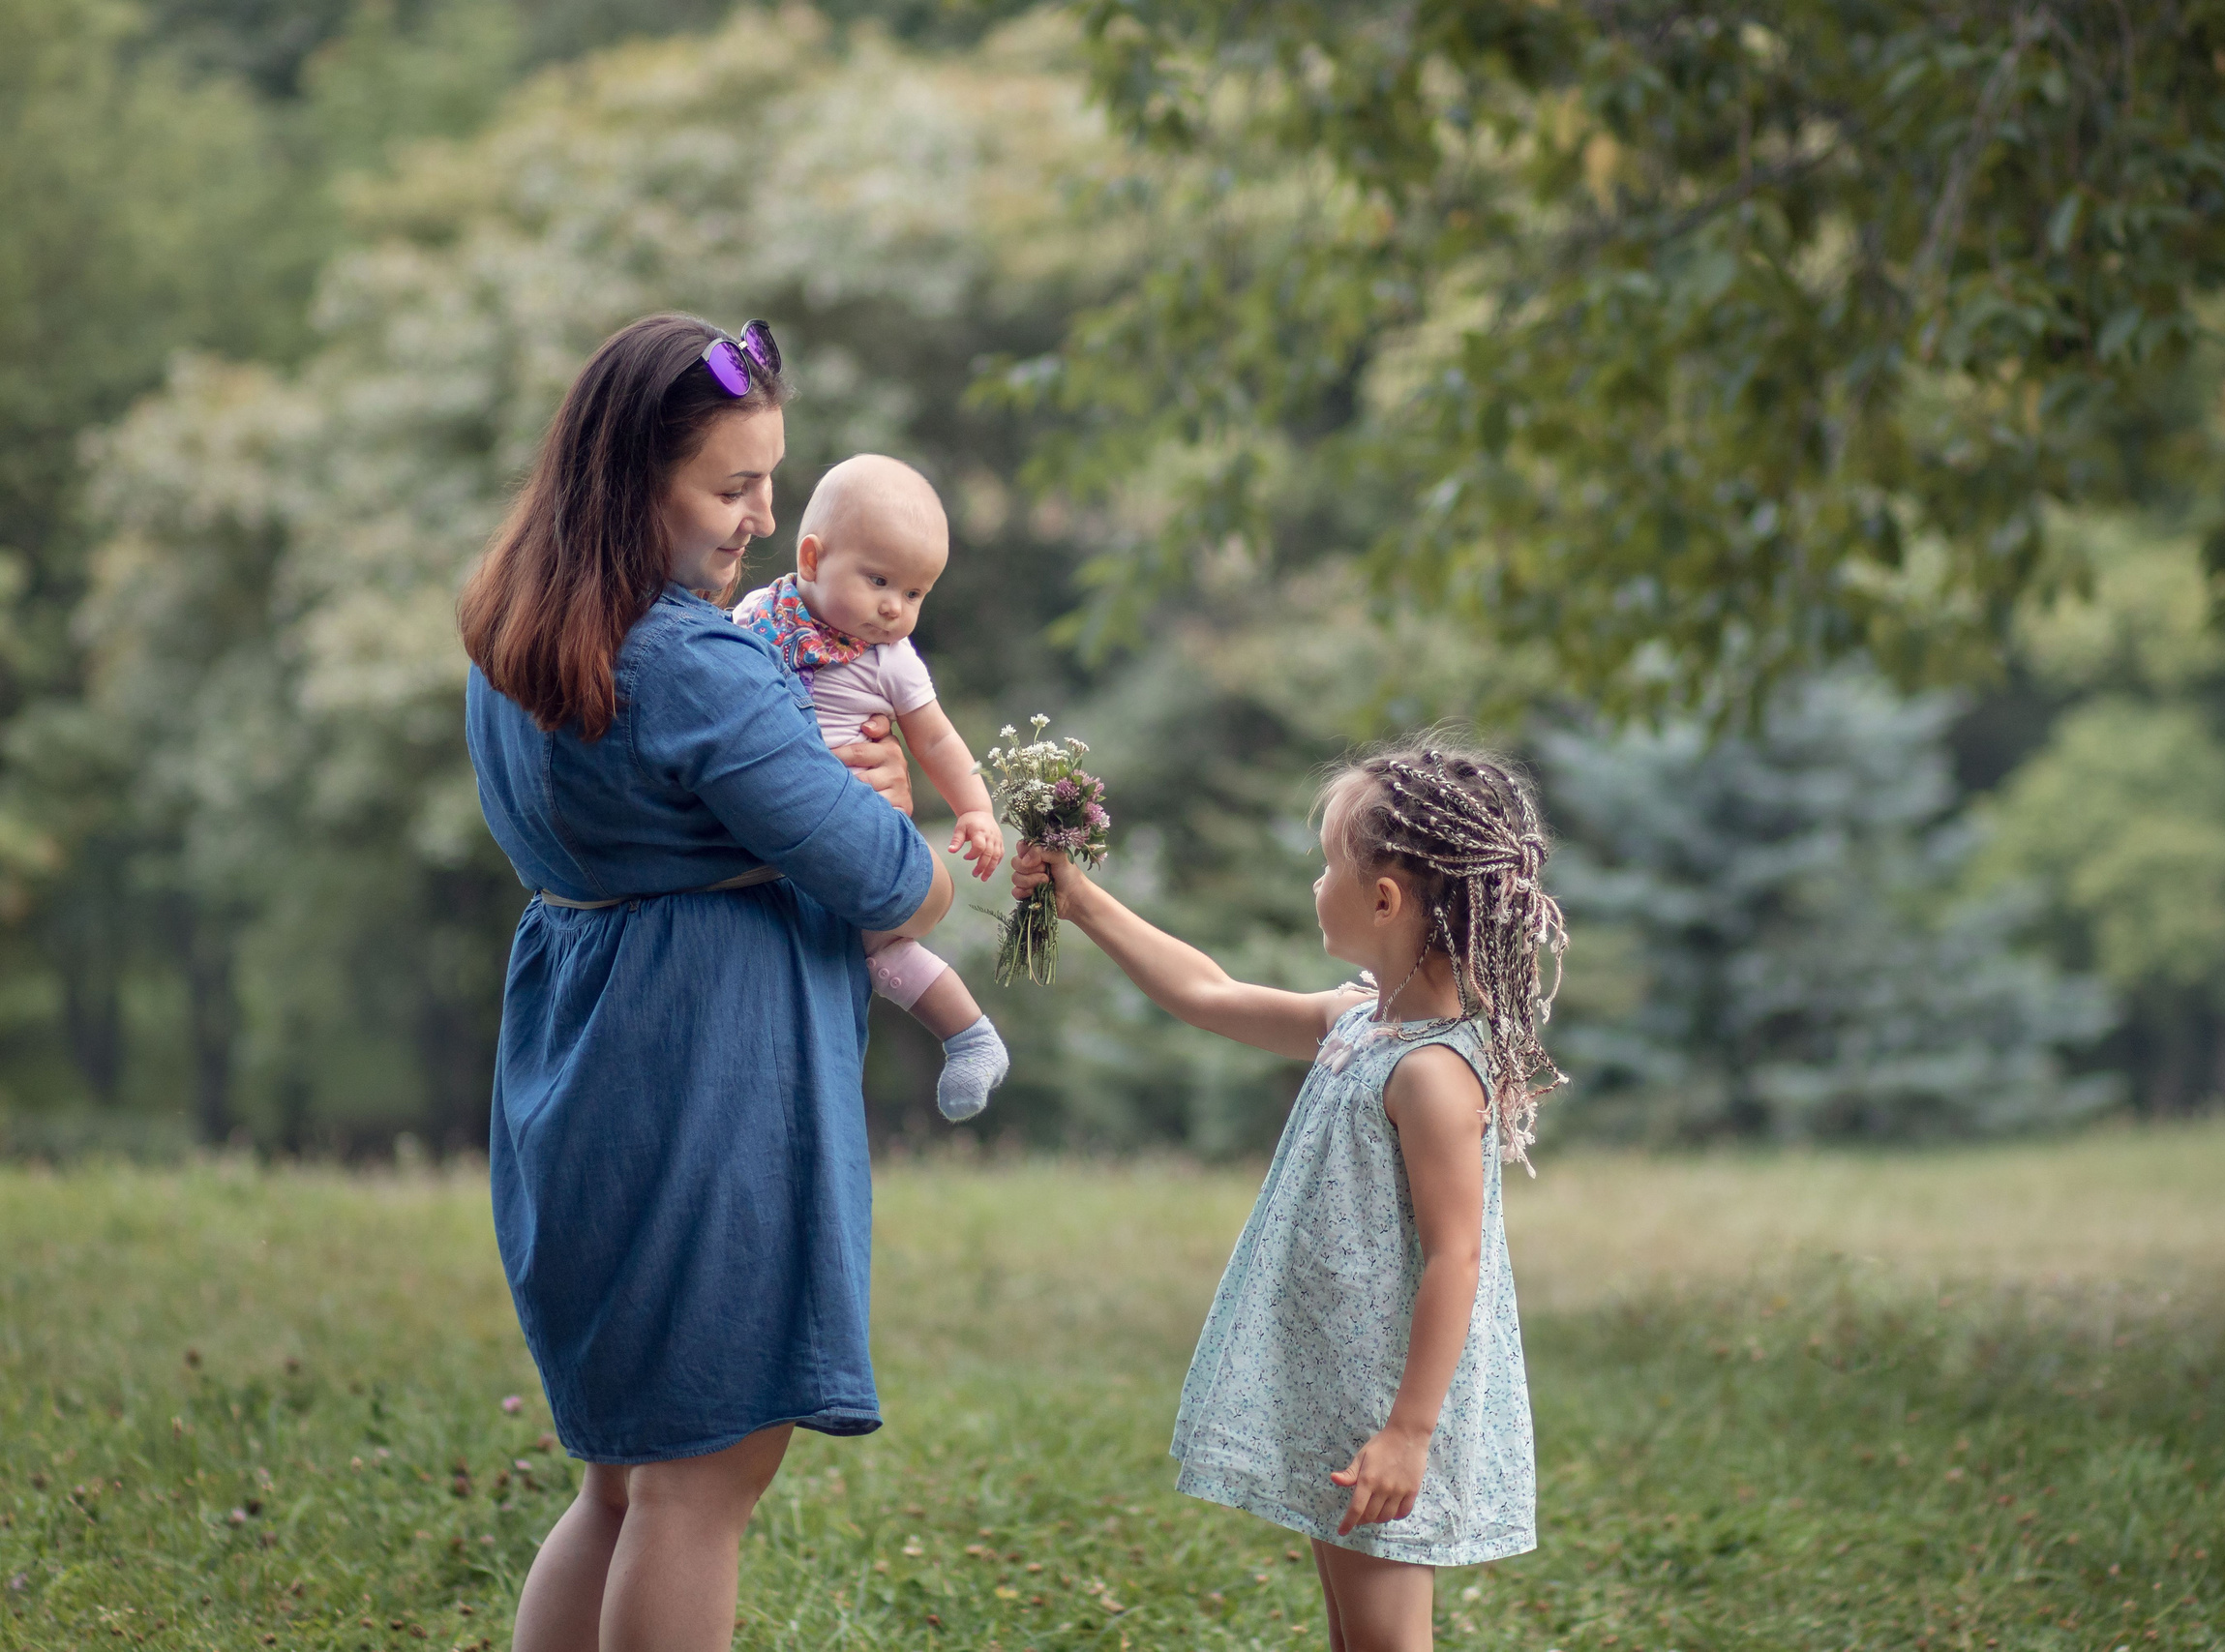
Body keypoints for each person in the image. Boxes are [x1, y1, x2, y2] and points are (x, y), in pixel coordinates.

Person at [459, 312, 953, 1652]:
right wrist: (887, 818)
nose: (759, 519)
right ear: (633, 482)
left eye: (769, 481)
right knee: (702, 1484)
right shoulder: (699, 662)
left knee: (622, 1476)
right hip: (707, 1087)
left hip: (579, 1066)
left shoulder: (513, 629)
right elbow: (901, 887)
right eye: (730, 486)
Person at [1009, 741, 1568, 1652]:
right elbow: (1207, 991)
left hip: (1390, 1399)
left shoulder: (1432, 1071)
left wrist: (1409, 1433)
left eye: (1326, 865)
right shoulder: (1358, 1023)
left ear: (1383, 899)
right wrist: (1078, 900)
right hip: (1343, 1383)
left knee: (1389, 1637)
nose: (1316, 883)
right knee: (1355, 1632)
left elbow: (1455, 1255)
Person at [731, 454, 1008, 1121]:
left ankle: (969, 1034)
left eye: (914, 594)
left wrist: (976, 808)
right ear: (811, 557)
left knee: (884, 946)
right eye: (879, 580)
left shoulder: (890, 661)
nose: (894, 608)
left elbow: (935, 739)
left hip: (853, 828)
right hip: (774, 837)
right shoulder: (755, 620)